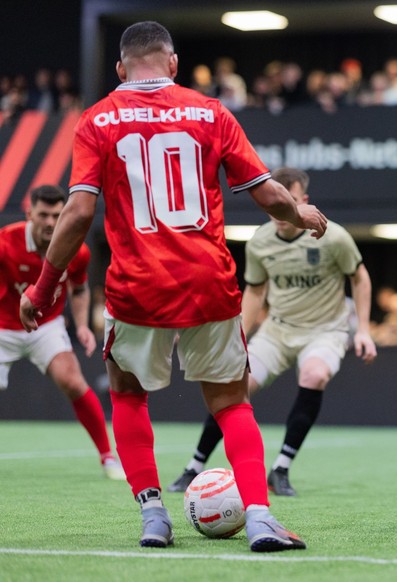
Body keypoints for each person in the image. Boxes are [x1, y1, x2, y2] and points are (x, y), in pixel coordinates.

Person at [19, 21, 327, 552]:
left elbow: (76, 214)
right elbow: (271, 197)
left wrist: (45, 288)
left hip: (136, 288)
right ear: (174, 64)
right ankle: (258, 518)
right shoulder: (211, 112)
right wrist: (301, 215)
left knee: (128, 396)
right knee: (231, 403)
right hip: (209, 280)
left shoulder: (97, 120)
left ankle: (154, 517)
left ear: (120, 69)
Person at [167, 167, 377, 496]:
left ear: (304, 201)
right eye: (273, 203)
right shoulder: (260, 241)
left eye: (289, 201)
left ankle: (280, 468)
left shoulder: (332, 235)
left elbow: (360, 277)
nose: (280, 211)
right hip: (277, 331)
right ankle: (194, 465)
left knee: (314, 374)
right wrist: (235, 335)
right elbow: (254, 292)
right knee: (234, 385)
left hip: (325, 331)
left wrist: (363, 329)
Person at [1, 185, 123, 481]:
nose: (51, 223)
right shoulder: (5, 244)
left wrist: (81, 326)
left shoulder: (76, 249)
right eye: (43, 215)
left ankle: (108, 457)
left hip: (46, 326)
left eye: (57, 215)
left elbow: (79, 288)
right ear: (29, 213)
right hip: (3, 326)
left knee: (72, 380)